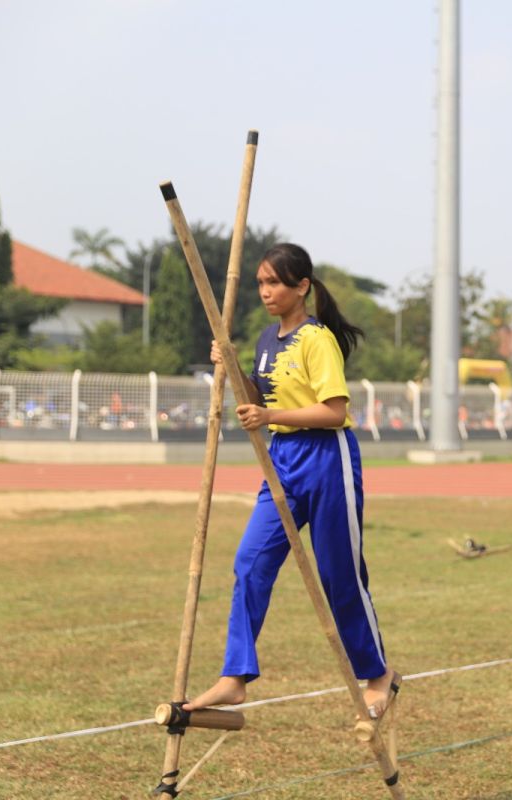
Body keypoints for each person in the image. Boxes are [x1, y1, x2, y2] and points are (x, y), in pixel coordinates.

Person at [184, 243, 398, 719]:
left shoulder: (316, 339)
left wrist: (270, 414)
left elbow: (334, 411)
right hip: (280, 459)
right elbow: (254, 395)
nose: (265, 291)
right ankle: (235, 676)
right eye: (261, 283)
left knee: (338, 574)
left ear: (302, 287)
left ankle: (377, 673)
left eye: (275, 282)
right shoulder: (266, 339)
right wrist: (231, 365)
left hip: (326, 457)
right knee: (250, 562)